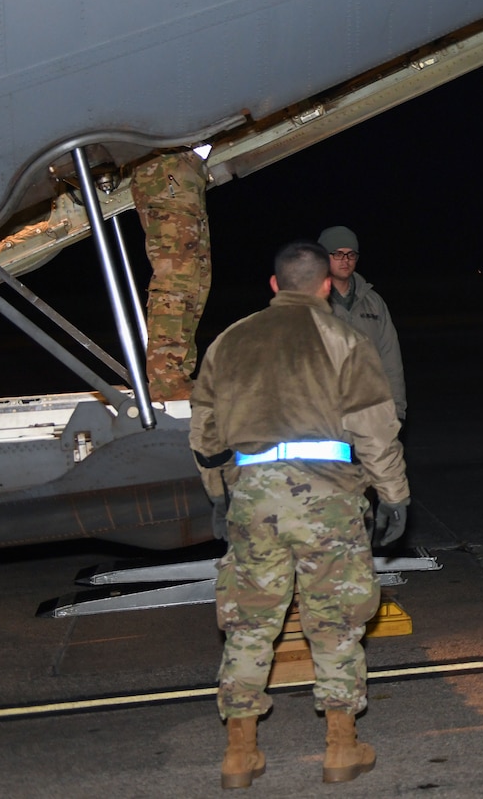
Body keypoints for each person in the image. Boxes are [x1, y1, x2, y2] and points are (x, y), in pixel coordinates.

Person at [190, 240, 411, 788]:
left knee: (249, 623)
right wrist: (394, 495)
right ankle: (341, 748)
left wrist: (219, 492)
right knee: (335, 622)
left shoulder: (228, 341)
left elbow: (205, 433)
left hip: (255, 496)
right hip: (327, 499)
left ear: (274, 286)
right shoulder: (344, 339)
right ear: (324, 286)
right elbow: (375, 428)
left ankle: (239, 755)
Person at [131, 148, 211, 401]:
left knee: (197, 278)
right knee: (177, 277)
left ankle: (177, 373)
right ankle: (166, 379)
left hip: (181, 170)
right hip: (168, 167)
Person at [317, 226, 406, 420]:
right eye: (338, 254)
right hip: (325, 417)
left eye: (351, 254)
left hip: (370, 412)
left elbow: (390, 358)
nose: (346, 260)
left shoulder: (373, 302)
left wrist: (397, 410)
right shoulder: (311, 302)